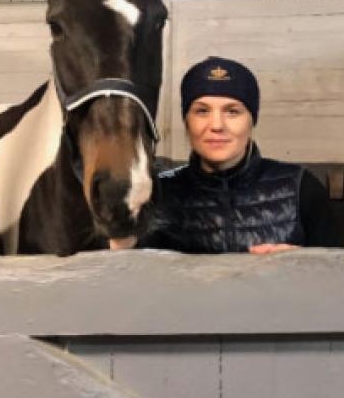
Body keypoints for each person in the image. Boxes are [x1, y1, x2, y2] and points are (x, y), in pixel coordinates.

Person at [141, 56, 330, 254]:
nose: (216, 125)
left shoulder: (300, 187)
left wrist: (299, 264)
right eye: (202, 111)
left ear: (251, 121)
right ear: (187, 122)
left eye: (232, 111)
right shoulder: (156, 194)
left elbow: (336, 275)